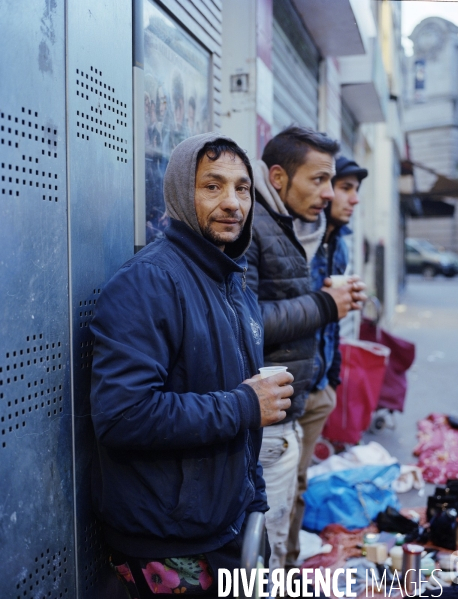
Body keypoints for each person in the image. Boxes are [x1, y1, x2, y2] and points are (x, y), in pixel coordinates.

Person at [89, 133, 294, 598]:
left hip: (226, 524)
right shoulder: (149, 282)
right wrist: (244, 405)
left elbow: (242, 411)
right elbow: (123, 415)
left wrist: (253, 500)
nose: (232, 203)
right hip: (169, 539)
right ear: (182, 191)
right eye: (212, 186)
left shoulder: (232, 283)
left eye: (242, 188)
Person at [245, 126, 361, 572]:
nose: (329, 194)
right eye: (319, 180)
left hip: (292, 402)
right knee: (262, 550)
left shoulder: (290, 224)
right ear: (277, 178)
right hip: (265, 414)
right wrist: (325, 304)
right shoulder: (253, 226)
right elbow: (249, 322)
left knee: (278, 532)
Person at [286, 155, 368, 568]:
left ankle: (289, 569)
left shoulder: (341, 243)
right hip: (289, 389)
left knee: (299, 486)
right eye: (345, 187)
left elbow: (332, 324)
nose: (351, 198)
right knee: (284, 486)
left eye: (356, 190)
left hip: (319, 387)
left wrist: (333, 380)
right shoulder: (299, 238)